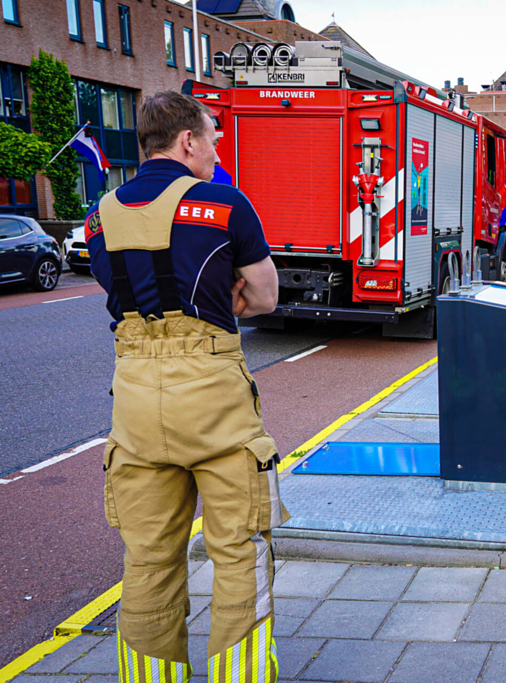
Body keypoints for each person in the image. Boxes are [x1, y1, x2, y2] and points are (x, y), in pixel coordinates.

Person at [86, 91, 285, 680]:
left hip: (136, 401)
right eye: (213, 136)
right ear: (187, 141)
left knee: (148, 561)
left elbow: (119, 294)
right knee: (239, 555)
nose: (217, 146)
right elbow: (267, 296)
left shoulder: (100, 215)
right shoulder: (223, 203)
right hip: (213, 399)